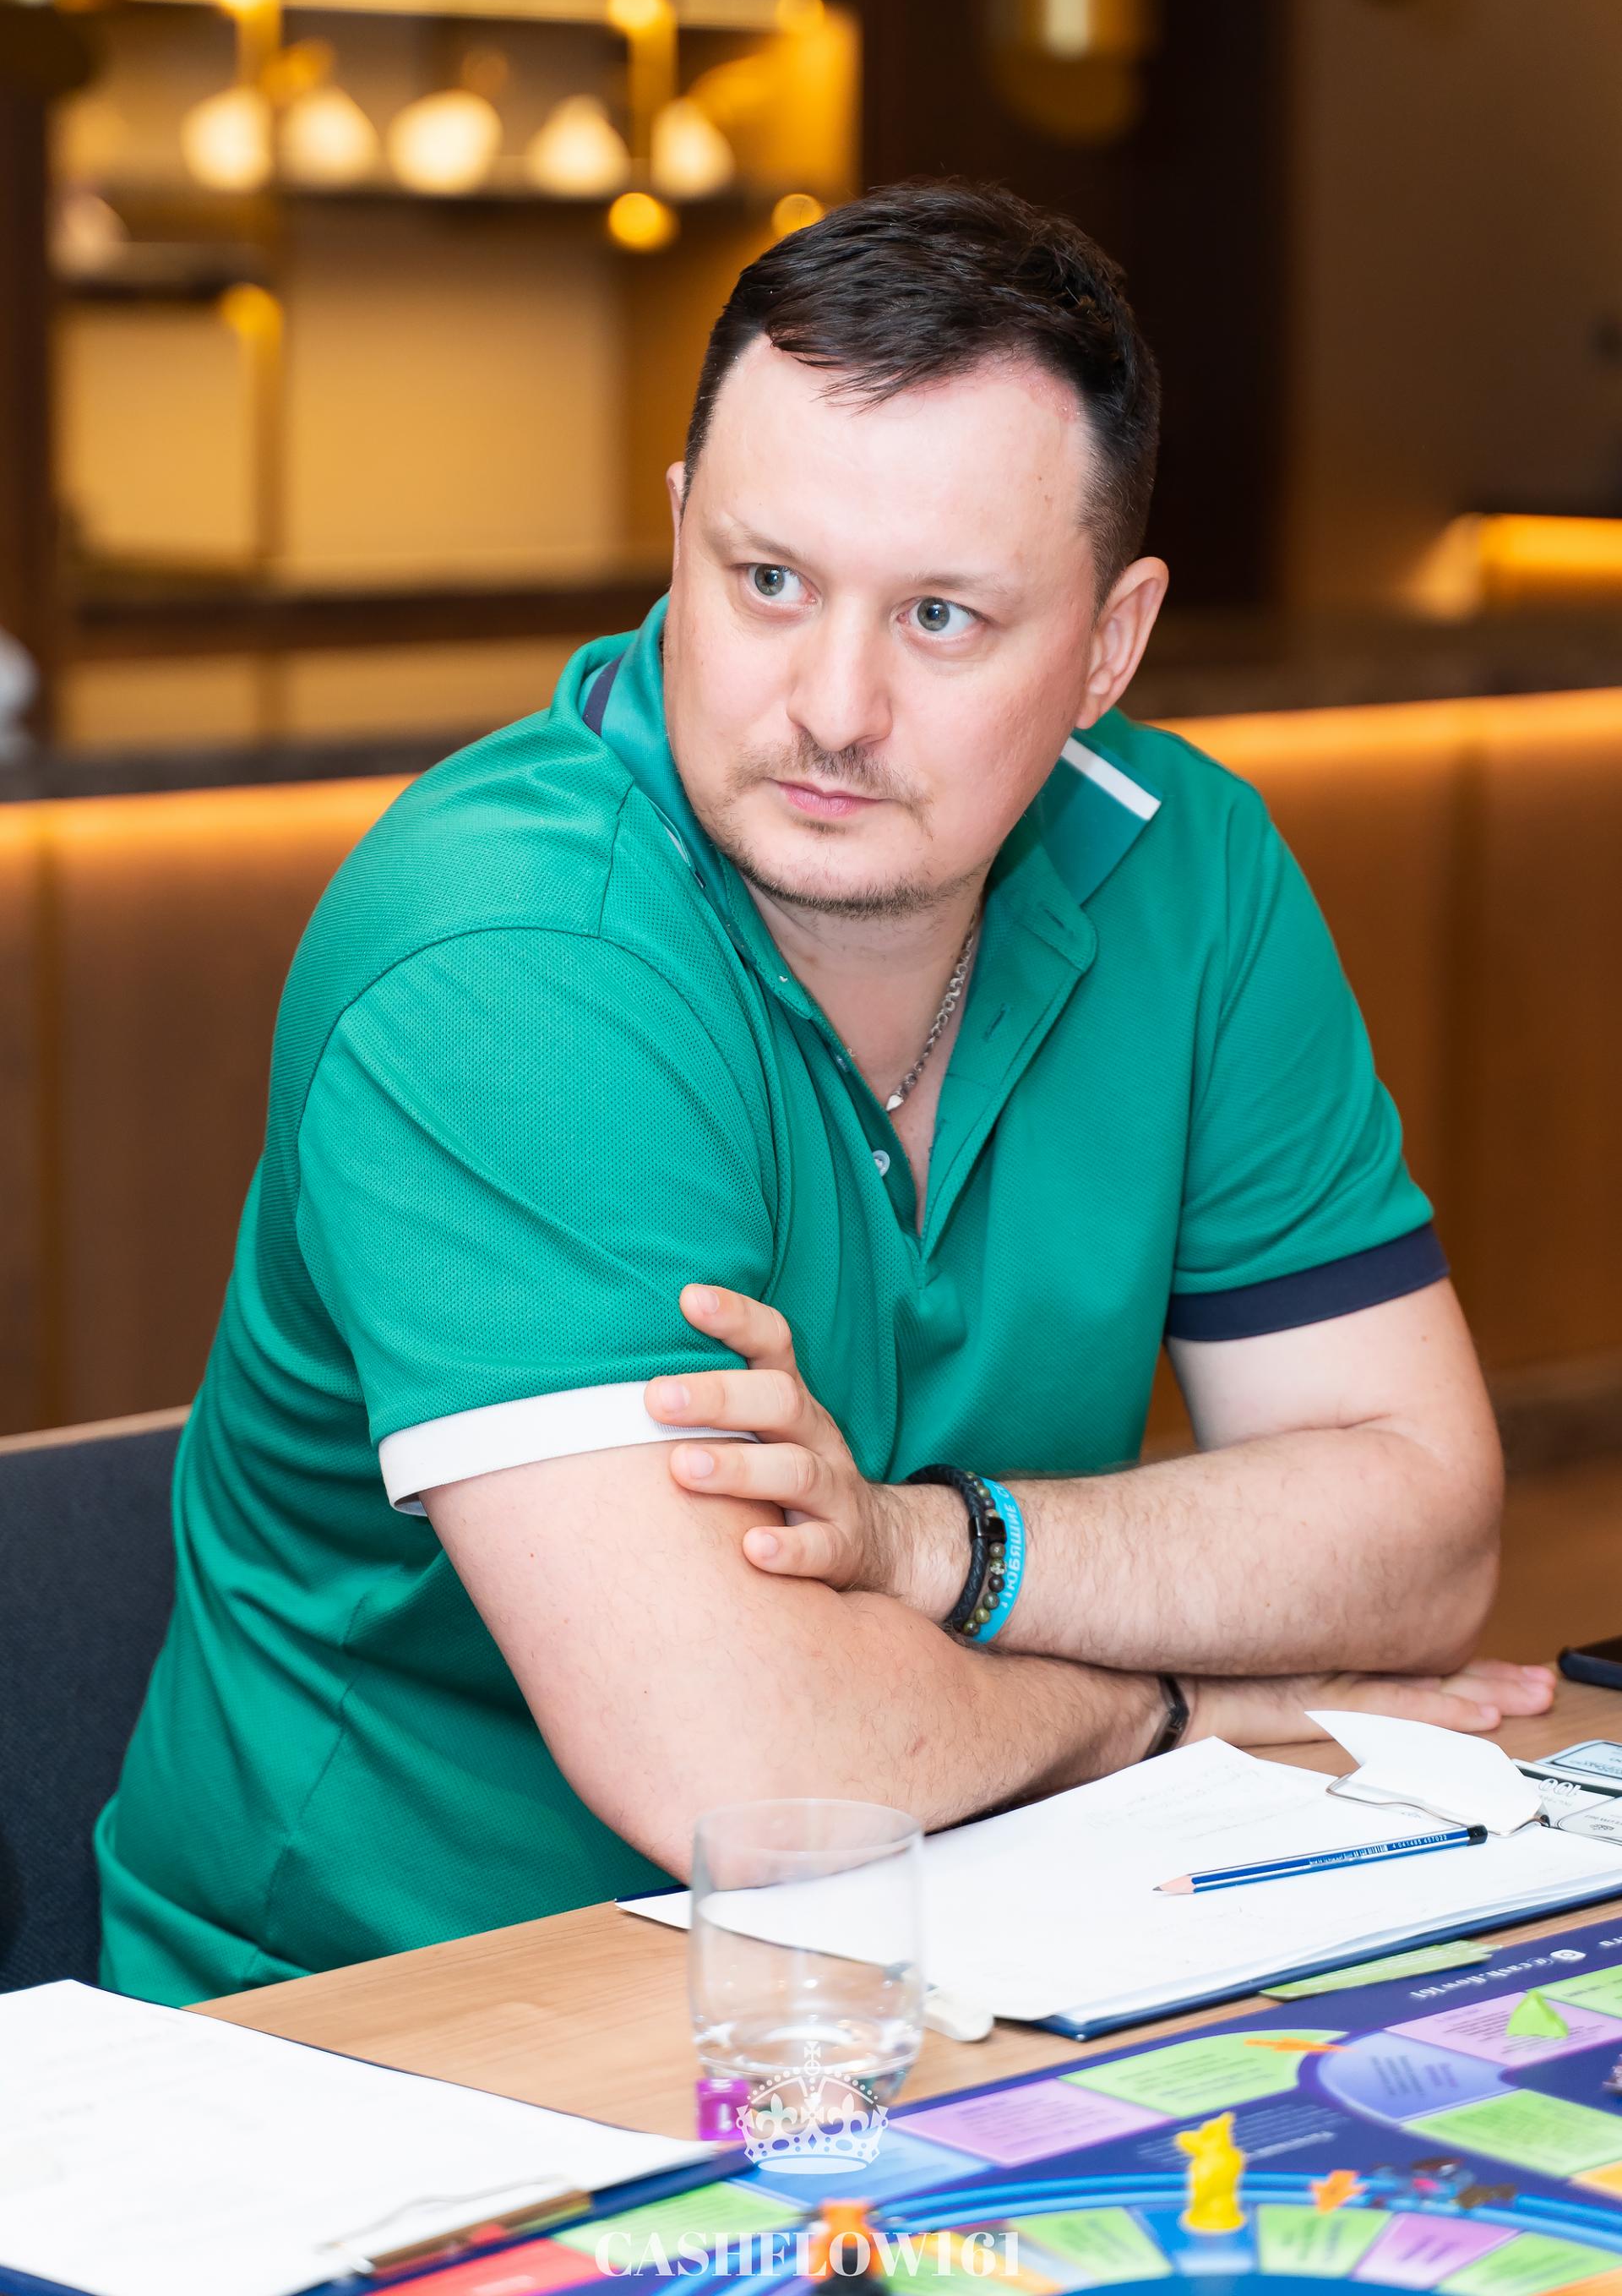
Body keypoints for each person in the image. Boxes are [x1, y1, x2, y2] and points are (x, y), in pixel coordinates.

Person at [96, 183, 1549, 2005]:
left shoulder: (1189, 871)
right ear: (679, 536)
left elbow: (1421, 1529)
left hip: (950, 1972)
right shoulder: (507, 959)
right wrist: (1170, 1705)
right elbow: (747, 1765)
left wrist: (937, 1546)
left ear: (1111, 645)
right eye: (768, 582)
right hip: (372, 2034)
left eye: (941, 616)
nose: (833, 708)